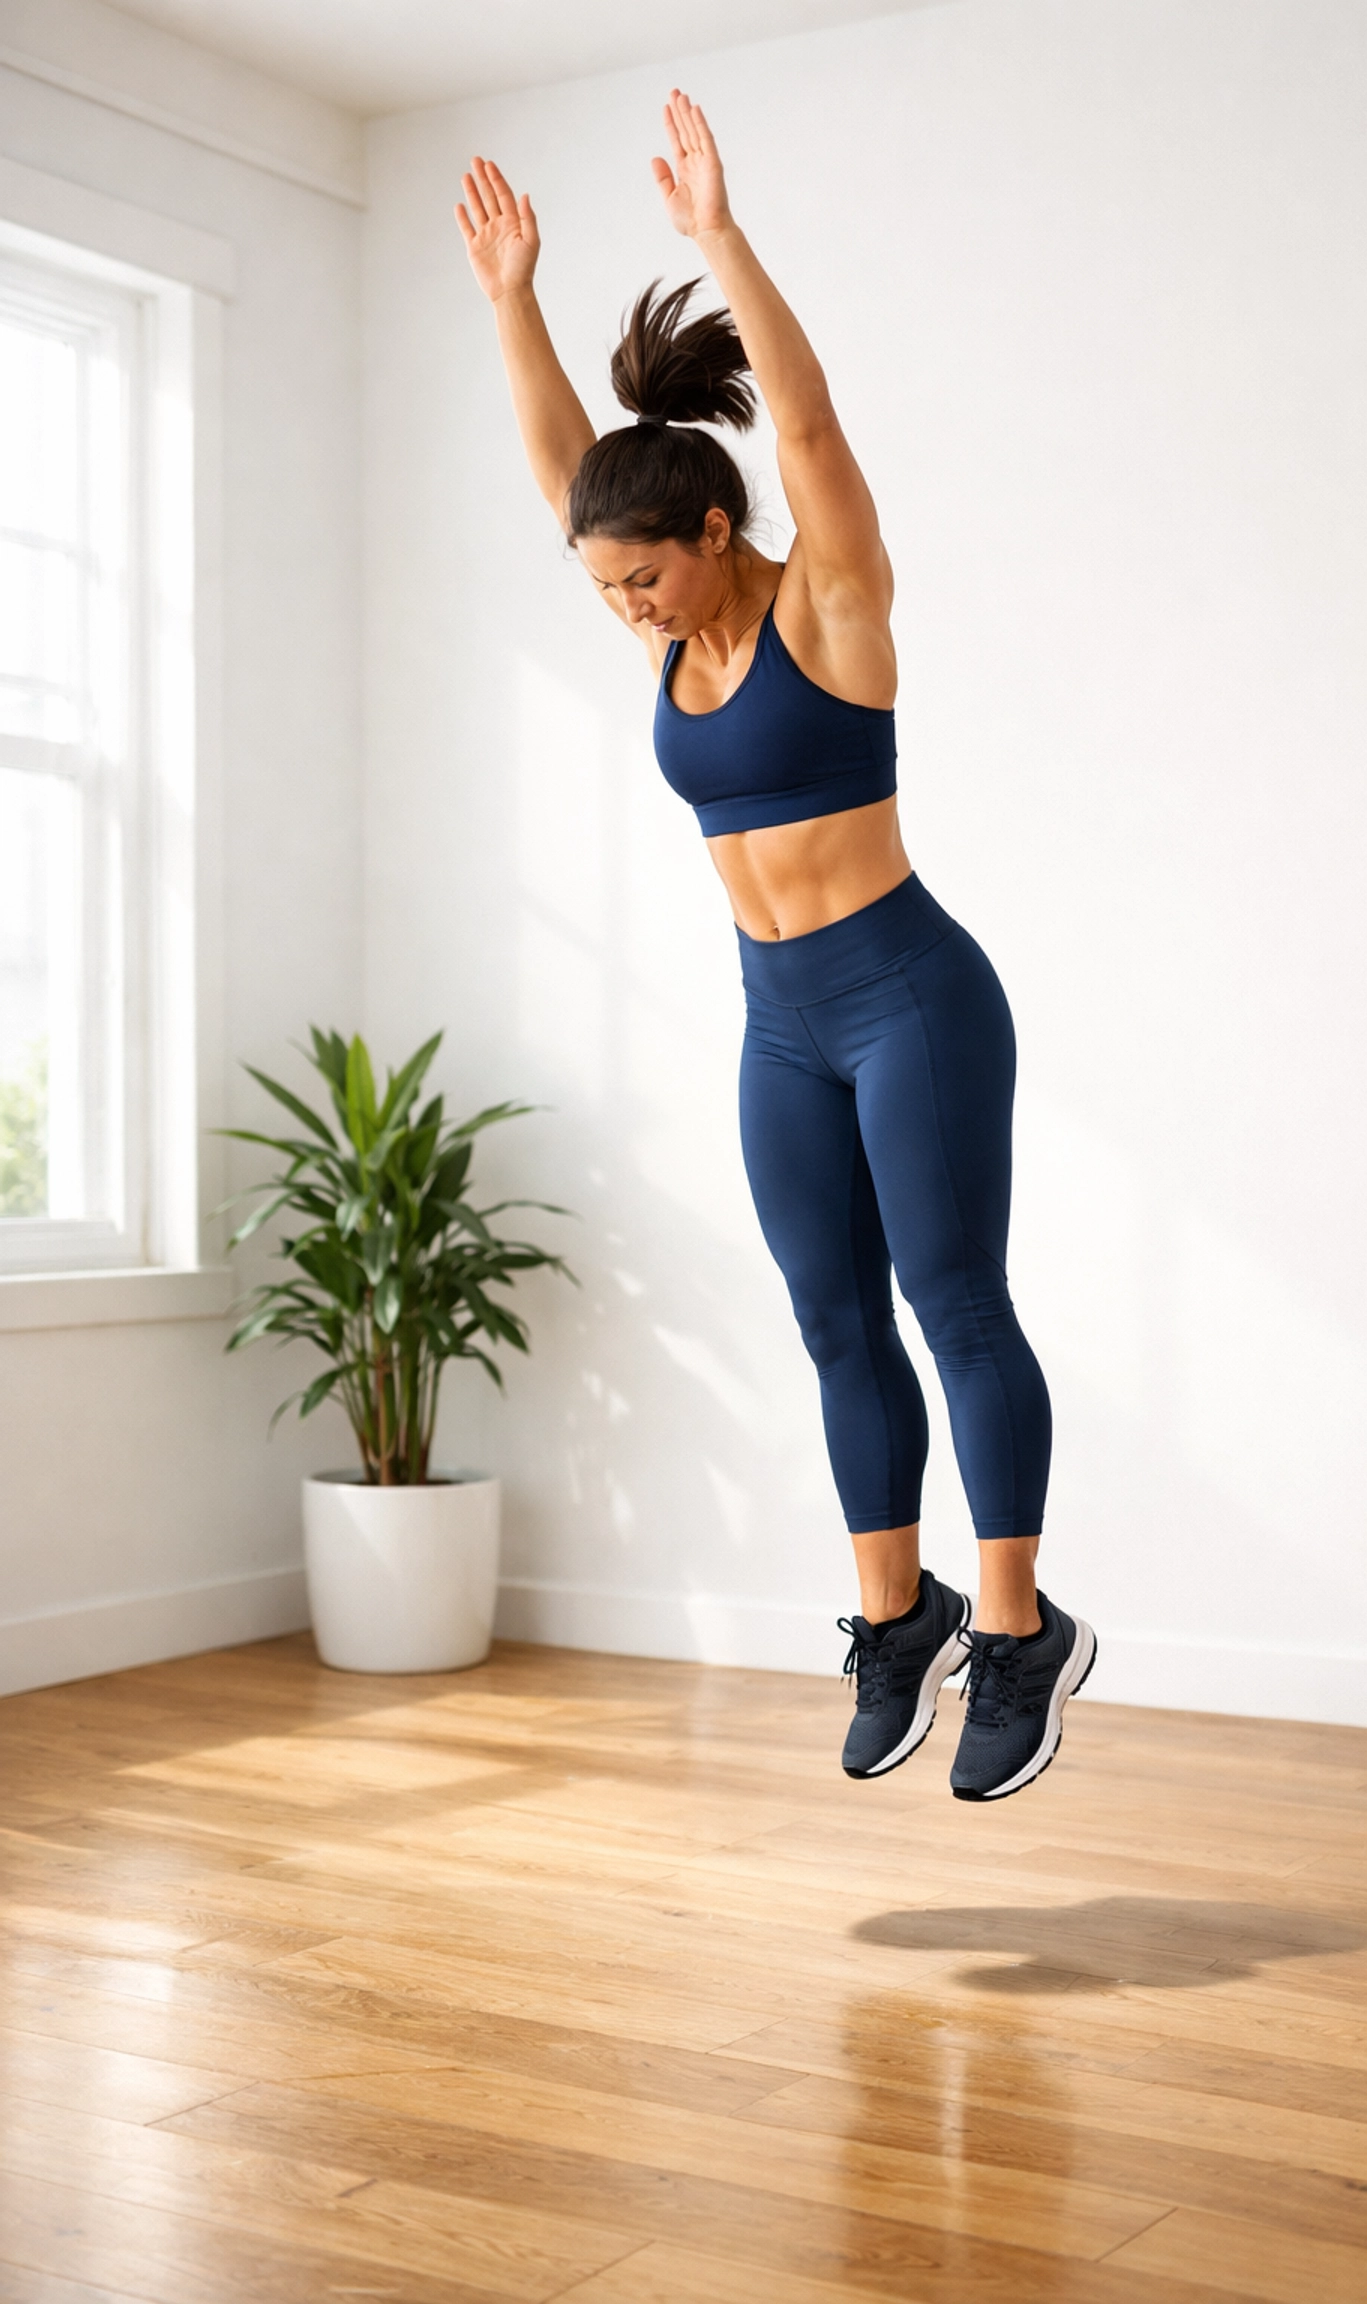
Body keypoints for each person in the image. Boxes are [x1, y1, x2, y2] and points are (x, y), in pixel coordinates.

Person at [457, 91, 1095, 1800]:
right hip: (781, 1020)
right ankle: (900, 1615)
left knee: (954, 1300)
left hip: (909, 997)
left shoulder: (830, 601)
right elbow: (567, 474)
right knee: (832, 1319)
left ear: (715, 534)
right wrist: (515, 299)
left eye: (642, 581)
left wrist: (720, 240)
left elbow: (806, 427)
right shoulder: (661, 626)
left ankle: (1020, 1632)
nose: (623, 608)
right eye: (606, 589)